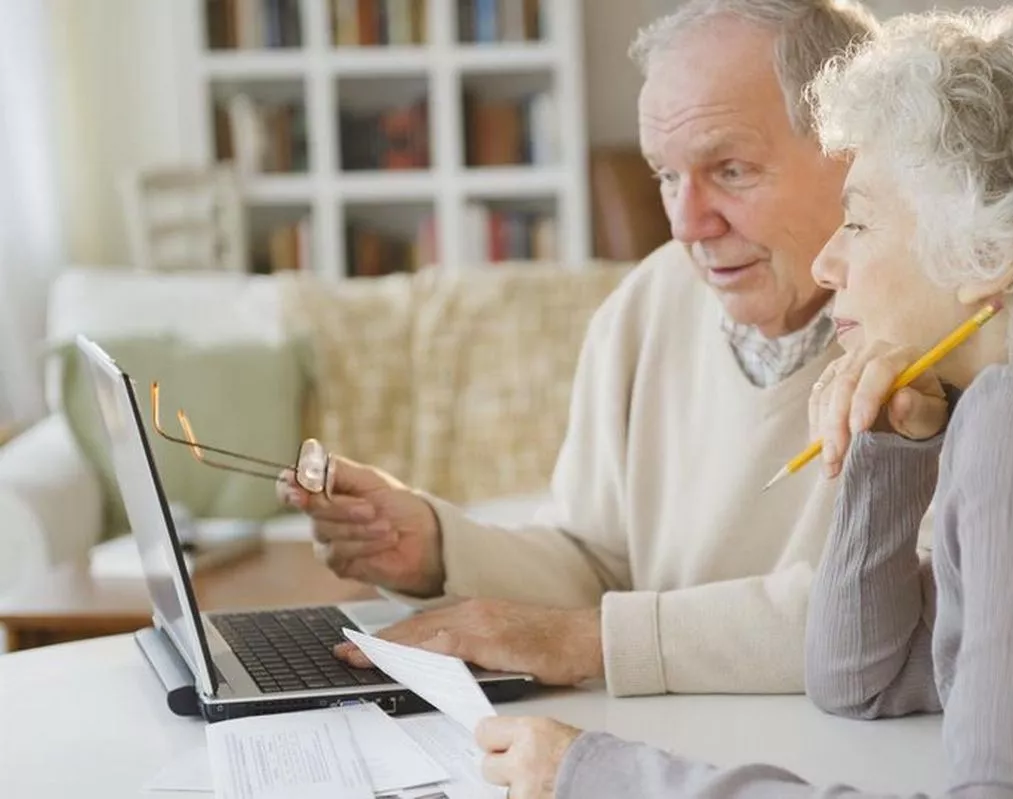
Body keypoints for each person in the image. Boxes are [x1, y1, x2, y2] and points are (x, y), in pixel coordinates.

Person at [471, 4, 1013, 797]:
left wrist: (599, 773)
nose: (827, 264)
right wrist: (892, 449)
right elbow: (860, 677)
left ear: (989, 256)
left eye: (857, 220)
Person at [280, 0, 885, 698]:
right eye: (665, 175)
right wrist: (434, 546)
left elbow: (898, 612)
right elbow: (594, 558)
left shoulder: (944, 330)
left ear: (855, 148)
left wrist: (587, 641)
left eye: (731, 170)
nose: (688, 224)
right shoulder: (647, 303)